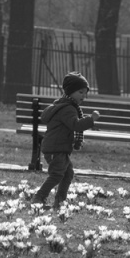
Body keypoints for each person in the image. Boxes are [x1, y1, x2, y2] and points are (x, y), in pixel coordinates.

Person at [31, 71, 100, 209]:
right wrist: (90, 120)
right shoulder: (68, 108)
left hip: (58, 147)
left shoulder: (66, 106)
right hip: (56, 148)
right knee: (57, 174)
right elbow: (75, 125)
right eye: (80, 92)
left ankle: (60, 201)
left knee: (68, 174)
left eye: (85, 93)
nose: (83, 96)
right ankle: (39, 197)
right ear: (70, 92)